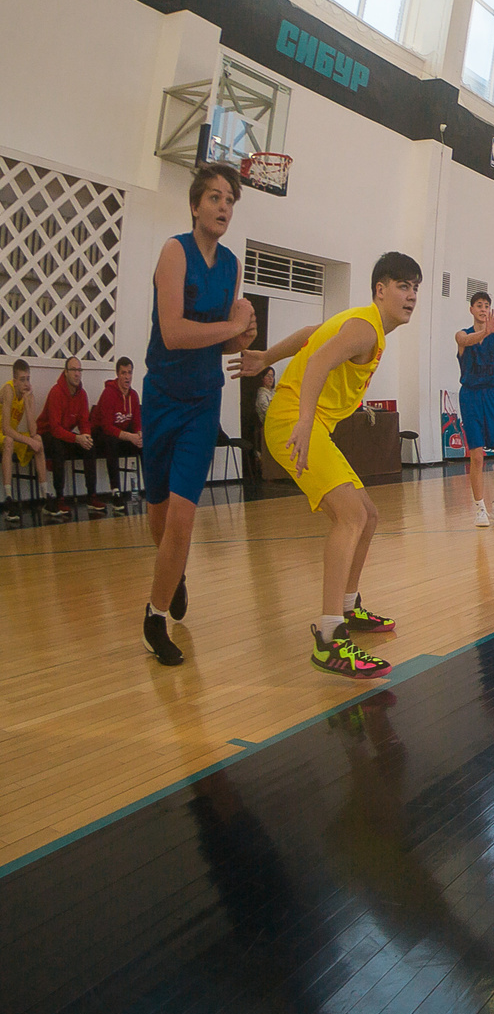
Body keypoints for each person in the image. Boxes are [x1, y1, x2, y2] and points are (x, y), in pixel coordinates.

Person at [238, 252, 422, 679]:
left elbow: (310, 335)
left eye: (415, 288)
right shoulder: (365, 328)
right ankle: (329, 639)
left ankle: (347, 607)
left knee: (369, 515)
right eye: (403, 286)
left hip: (310, 423)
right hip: (294, 422)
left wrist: (265, 357)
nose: (411, 295)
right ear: (380, 290)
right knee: (351, 516)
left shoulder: (363, 324)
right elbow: (319, 360)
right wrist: (304, 419)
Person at [136, 163, 257, 660]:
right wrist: (231, 328)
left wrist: (243, 337)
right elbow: (174, 333)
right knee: (159, 515)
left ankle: (155, 616)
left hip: (204, 401)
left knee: (184, 517)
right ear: (194, 205)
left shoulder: (231, 264)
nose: (223, 206)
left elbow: (225, 342)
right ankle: (176, 571)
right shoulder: (174, 251)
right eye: (214, 197)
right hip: (162, 397)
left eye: (230, 200)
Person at [455, 292, 494, 528]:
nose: (483, 309)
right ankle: (480, 509)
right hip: (470, 397)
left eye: (486, 306)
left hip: (491, 395)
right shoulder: (462, 334)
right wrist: (484, 332)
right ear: (471, 309)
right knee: (477, 455)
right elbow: (465, 341)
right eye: (479, 305)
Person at [40, 357, 100, 518]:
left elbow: (84, 421)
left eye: (79, 370)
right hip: (46, 434)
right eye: (73, 370)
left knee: (90, 445)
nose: (77, 374)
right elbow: (54, 428)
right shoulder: (56, 392)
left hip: (64, 434)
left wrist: (85, 436)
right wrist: (76, 439)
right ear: (66, 372)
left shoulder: (82, 394)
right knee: (58, 446)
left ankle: (92, 496)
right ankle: (59, 497)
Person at [93, 357, 143, 502]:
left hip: (122, 434)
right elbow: (107, 427)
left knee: (144, 443)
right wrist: (130, 436)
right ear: (117, 374)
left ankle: (152, 488)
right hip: (101, 435)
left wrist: (139, 435)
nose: (127, 377)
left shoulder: (133, 395)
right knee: (111, 441)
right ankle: (115, 490)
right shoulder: (108, 394)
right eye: (123, 373)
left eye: (130, 373)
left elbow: (137, 422)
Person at [3, 359, 42, 528]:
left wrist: (27, 401)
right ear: (14, 380)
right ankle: (8, 499)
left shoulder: (28, 394)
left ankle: (45, 496)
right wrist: (28, 441)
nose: (26, 383)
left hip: (11, 435)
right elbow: (5, 428)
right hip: (3, 434)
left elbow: (33, 431)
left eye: (28, 379)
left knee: (38, 439)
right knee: (9, 440)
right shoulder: (8, 390)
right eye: (22, 379)